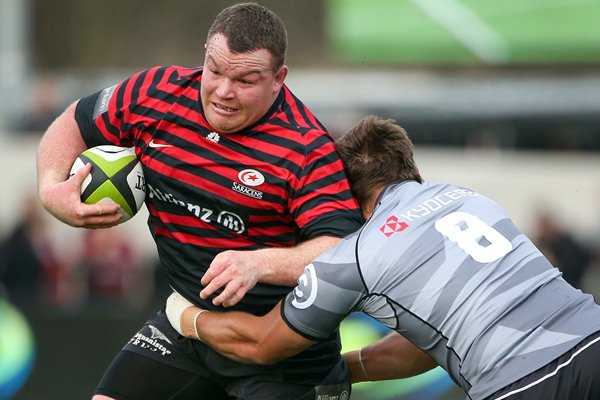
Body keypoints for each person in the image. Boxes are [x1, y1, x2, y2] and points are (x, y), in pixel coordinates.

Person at [36, 3, 363, 400]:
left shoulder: (306, 147)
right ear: (204, 55)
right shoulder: (155, 93)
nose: (224, 92)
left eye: (246, 80)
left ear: (279, 78)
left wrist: (260, 263)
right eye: (216, 70)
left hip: (284, 355)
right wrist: (52, 188)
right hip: (186, 326)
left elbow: (343, 252)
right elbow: (74, 121)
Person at [167, 115, 600, 400]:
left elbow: (262, 344)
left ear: (346, 195)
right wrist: (343, 370)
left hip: (523, 383)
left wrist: (187, 318)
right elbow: (432, 345)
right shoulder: (469, 198)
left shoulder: (354, 255)